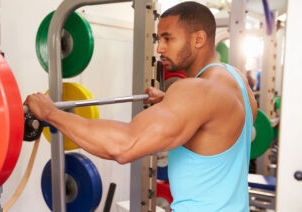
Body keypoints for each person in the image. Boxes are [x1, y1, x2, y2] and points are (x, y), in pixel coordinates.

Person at [24, 1, 257, 211]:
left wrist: (51, 113)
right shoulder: (236, 80)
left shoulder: (195, 92)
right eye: (159, 40)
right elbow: (218, 128)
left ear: (198, 39)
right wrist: (169, 102)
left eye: (168, 38)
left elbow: (124, 146)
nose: (159, 49)